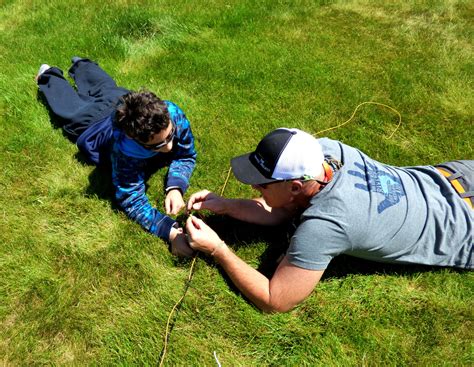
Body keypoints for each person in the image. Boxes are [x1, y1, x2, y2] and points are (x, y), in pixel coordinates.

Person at [185, 128, 473, 312]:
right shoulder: (325, 150)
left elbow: (276, 300)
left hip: (466, 230)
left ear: (296, 187)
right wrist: (227, 206)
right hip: (454, 178)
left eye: (262, 185)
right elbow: (286, 208)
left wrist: (217, 249)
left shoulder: (325, 226)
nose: (254, 188)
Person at [36, 57, 196, 256]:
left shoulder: (172, 114)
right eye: (159, 145)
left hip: (120, 100)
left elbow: (186, 155)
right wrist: (170, 233)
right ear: (135, 140)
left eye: (171, 134)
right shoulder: (125, 152)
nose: (170, 146)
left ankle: (81, 65)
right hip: (90, 125)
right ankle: (48, 74)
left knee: (105, 86)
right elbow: (131, 199)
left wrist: (175, 187)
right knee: (68, 107)